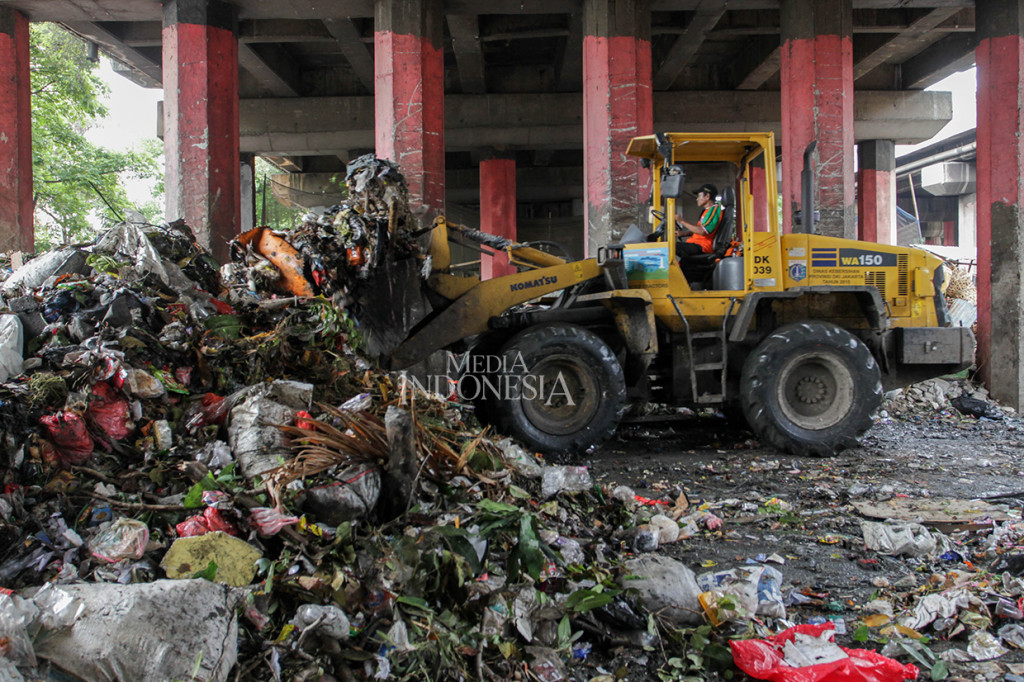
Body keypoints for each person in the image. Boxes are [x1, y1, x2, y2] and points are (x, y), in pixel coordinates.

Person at [677, 183, 722, 256]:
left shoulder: (714, 210)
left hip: (702, 246)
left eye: (699, 196)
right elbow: (698, 230)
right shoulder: (706, 211)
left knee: (669, 247)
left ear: (707, 196)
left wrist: (682, 221)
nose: (697, 199)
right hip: (697, 243)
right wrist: (684, 234)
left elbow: (703, 231)